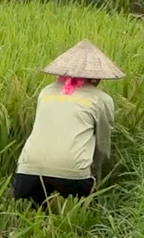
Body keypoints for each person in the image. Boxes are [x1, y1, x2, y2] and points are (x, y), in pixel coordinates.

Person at [13, 40, 122, 207]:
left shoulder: (46, 92)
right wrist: (96, 174)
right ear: (97, 77)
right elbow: (102, 145)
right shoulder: (102, 99)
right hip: (73, 177)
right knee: (75, 219)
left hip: (27, 172)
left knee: (30, 215)